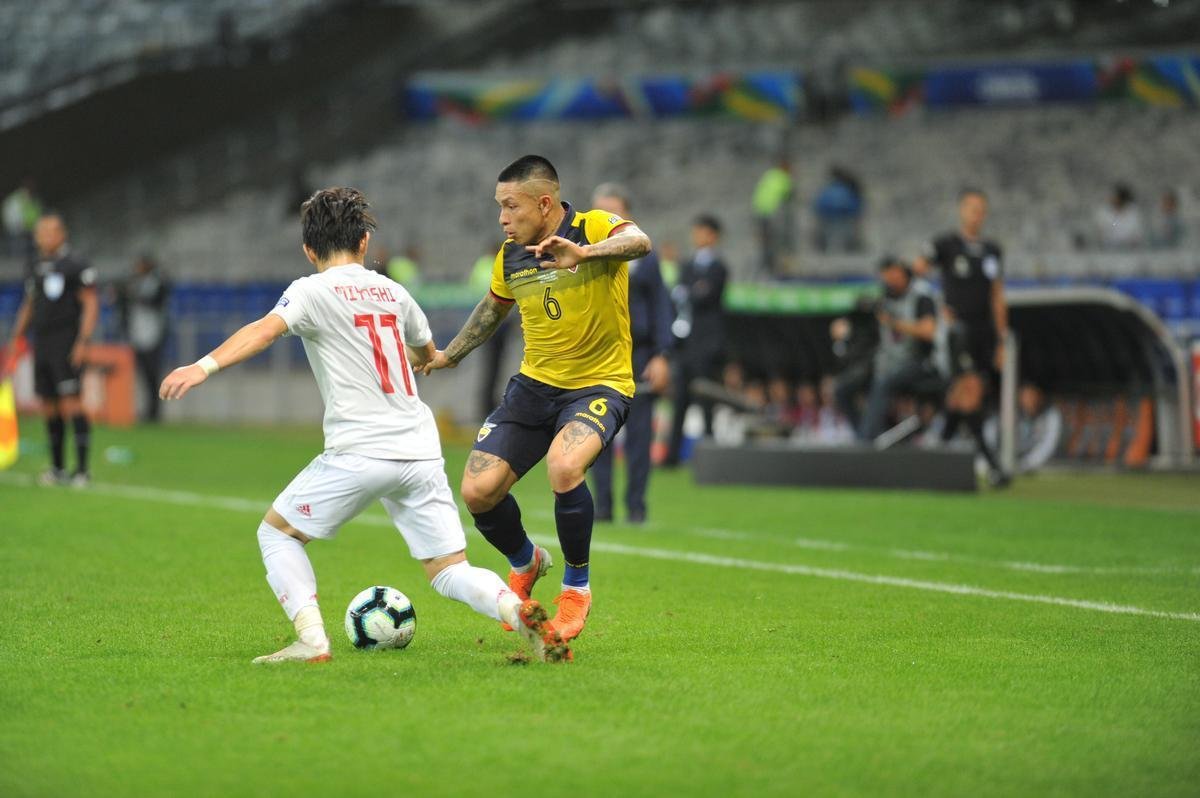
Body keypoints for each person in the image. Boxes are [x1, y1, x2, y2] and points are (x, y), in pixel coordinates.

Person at [158, 187, 568, 664]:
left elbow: (264, 330)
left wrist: (202, 366)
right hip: (419, 450)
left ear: (308, 250)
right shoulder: (393, 291)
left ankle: (312, 639)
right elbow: (425, 351)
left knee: (277, 534)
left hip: (360, 451)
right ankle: (517, 610)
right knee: (448, 570)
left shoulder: (309, 290)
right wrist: (417, 359)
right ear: (364, 242)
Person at [422, 155, 652, 643]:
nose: (502, 218)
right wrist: (449, 355)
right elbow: (492, 307)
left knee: (564, 467)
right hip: (533, 386)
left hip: (599, 384)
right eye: (499, 207)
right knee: (478, 492)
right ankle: (527, 561)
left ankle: (576, 588)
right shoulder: (510, 255)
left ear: (544, 203)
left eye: (511, 206)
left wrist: (584, 254)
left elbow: (640, 242)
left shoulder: (593, 226)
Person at [587, 183, 673, 525]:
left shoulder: (644, 258)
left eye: (613, 212)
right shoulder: (580, 253)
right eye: (599, 212)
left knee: (639, 435)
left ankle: (636, 506)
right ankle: (603, 506)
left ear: (627, 215)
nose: (606, 218)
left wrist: (662, 354)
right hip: (599, 355)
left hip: (638, 356)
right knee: (596, 434)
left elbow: (661, 305)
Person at [915, 187, 1009, 486]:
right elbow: (916, 272)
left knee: (962, 396)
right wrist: (936, 307)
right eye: (971, 208)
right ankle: (991, 463)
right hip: (958, 330)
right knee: (970, 390)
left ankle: (937, 454)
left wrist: (1002, 339)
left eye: (981, 209)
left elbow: (997, 296)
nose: (976, 214)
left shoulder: (992, 250)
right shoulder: (945, 244)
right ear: (961, 210)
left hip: (985, 331)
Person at [5, 214, 97, 486]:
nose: (44, 237)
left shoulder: (75, 265)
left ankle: (82, 470)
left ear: (62, 234)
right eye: (40, 232)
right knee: (48, 403)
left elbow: (90, 303)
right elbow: (30, 303)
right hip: (42, 342)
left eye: (50, 231)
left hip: (66, 341)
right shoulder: (34, 265)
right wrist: (17, 336)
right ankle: (57, 469)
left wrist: (83, 341)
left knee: (72, 401)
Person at [665, 214, 728, 465]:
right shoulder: (688, 265)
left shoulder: (719, 268)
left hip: (707, 345)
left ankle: (710, 456)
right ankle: (672, 455)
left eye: (701, 231)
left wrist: (689, 292)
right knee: (679, 401)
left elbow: (702, 296)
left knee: (706, 402)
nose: (697, 236)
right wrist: (693, 291)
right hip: (686, 344)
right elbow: (681, 294)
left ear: (713, 235)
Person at [857, 256, 937, 441]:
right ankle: (865, 434)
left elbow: (928, 331)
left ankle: (867, 440)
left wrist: (895, 323)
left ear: (902, 272)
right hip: (890, 359)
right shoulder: (885, 296)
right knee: (845, 386)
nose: (890, 281)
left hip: (919, 360)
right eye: (886, 277)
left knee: (884, 382)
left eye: (893, 275)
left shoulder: (921, 294)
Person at [118, 254, 170, 423]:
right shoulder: (134, 282)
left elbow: (157, 300)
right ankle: (147, 410)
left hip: (153, 333)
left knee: (153, 374)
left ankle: (155, 411)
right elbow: (122, 300)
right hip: (137, 334)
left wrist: (134, 295)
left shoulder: (157, 282)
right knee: (143, 375)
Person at [469, 242, 516, 420]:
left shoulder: (481, 265)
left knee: (490, 366)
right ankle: (488, 406)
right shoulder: (501, 264)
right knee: (494, 366)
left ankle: (485, 406)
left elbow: (474, 290)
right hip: (500, 320)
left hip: (485, 321)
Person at [752, 159, 794, 276]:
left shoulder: (769, 174)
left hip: (760, 211)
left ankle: (766, 263)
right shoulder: (784, 178)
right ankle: (775, 267)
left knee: (766, 240)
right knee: (776, 241)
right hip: (773, 214)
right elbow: (788, 196)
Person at [813, 166, 864, 253]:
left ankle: (829, 248)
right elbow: (854, 203)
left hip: (830, 216)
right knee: (845, 234)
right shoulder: (846, 189)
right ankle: (848, 248)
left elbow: (820, 203)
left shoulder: (831, 189)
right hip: (844, 216)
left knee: (831, 234)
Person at [1094, 183, 1144, 250]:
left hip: (1129, 249)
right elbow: (1100, 232)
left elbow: (1137, 233)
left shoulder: (1133, 212)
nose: (1111, 198)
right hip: (1108, 249)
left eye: (1115, 197)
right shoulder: (1104, 211)